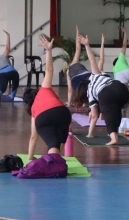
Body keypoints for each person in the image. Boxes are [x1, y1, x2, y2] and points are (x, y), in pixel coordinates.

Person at [23, 35, 72, 163]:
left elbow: (33, 136)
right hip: (63, 113)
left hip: (44, 117)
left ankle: (54, 161)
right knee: (61, 137)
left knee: (52, 143)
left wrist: (30, 157)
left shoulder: (34, 109)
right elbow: (49, 70)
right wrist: (49, 51)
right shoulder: (44, 89)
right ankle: (56, 158)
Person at [77, 34, 129, 146]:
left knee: (109, 115)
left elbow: (94, 116)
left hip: (107, 93)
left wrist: (90, 134)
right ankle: (115, 133)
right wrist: (86, 45)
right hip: (122, 89)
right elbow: (93, 61)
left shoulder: (90, 92)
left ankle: (113, 137)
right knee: (116, 110)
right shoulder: (98, 75)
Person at [67, 26, 92, 107]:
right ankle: (86, 103)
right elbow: (78, 48)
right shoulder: (75, 62)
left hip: (77, 77)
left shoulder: (68, 71)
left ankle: (84, 103)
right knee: (88, 88)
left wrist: (69, 104)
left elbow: (70, 90)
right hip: (87, 74)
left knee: (79, 89)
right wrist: (77, 33)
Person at [112, 27, 129, 97]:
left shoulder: (114, 68)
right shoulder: (121, 58)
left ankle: (123, 98)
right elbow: (124, 45)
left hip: (119, 75)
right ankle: (128, 96)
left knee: (122, 89)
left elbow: (116, 79)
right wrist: (125, 33)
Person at [0, 30, 19, 101]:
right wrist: (8, 37)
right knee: (16, 78)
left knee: (2, 88)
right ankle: (12, 95)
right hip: (12, 71)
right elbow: (7, 48)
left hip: (2, 74)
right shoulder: (3, 56)